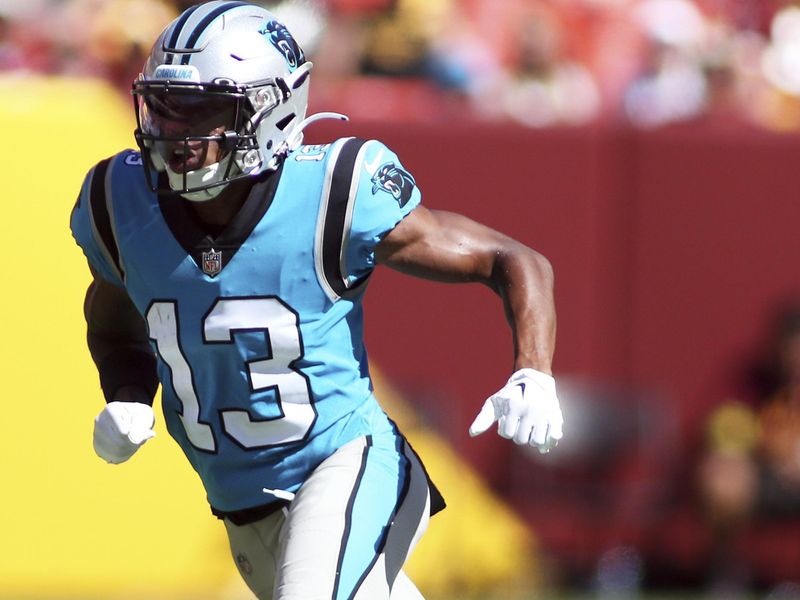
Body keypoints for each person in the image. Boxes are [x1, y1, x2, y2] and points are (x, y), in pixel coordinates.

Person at [70, 2, 564, 599]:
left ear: (272, 110)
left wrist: (532, 373)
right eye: (166, 108)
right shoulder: (118, 200)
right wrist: (125, 392)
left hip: (349, 463)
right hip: (244, 508)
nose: (178, 133)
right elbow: (115, 312)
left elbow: (514, 260)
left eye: (203, 111)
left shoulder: (333, 190)